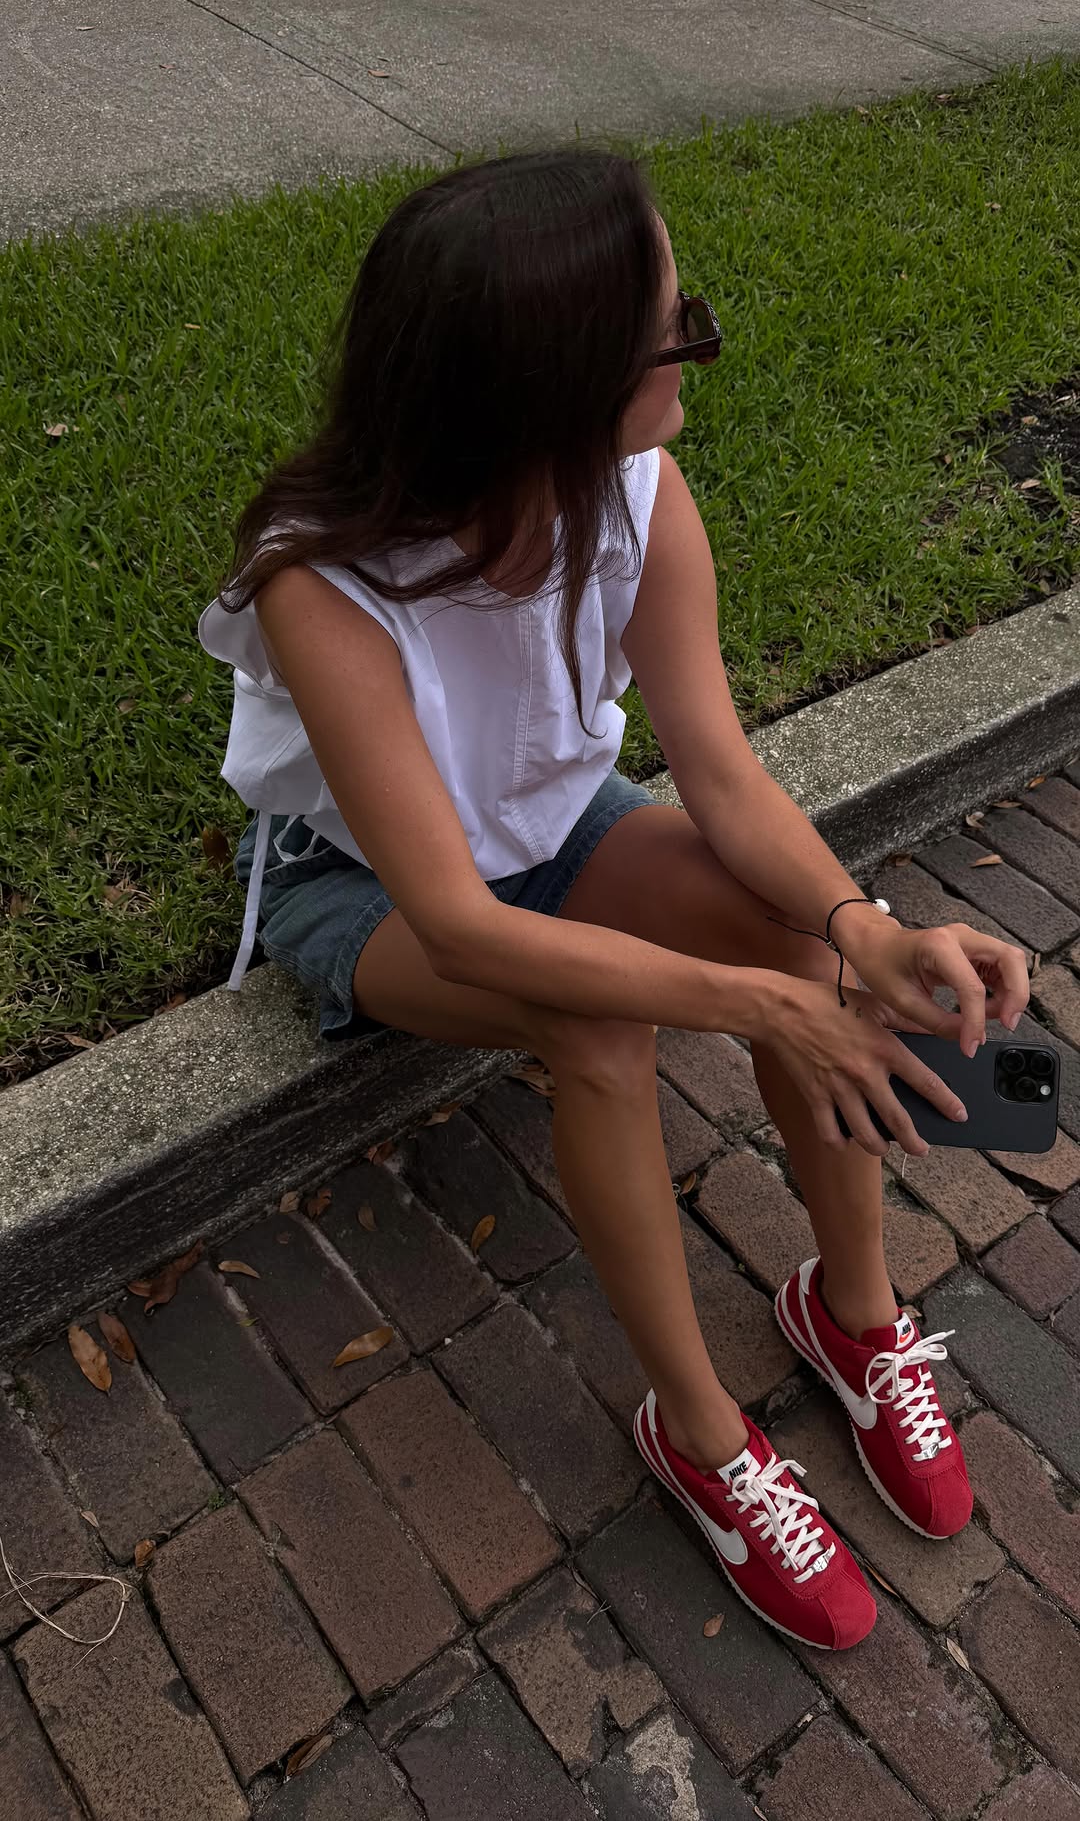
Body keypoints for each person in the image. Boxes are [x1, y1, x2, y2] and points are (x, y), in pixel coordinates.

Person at [200, 151, 1029, 1651]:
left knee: (801, 943)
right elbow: (462, 924)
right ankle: (702, 1437)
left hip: (558, 820)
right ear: (557, 387)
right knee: (597, 1026)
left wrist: (860, 930)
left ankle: (851, 1311)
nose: (696, 352)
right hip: (368, 886)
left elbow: (716, 768)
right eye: (674, 334)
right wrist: (755, 1003)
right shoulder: (322, 582)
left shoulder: (635, 487)